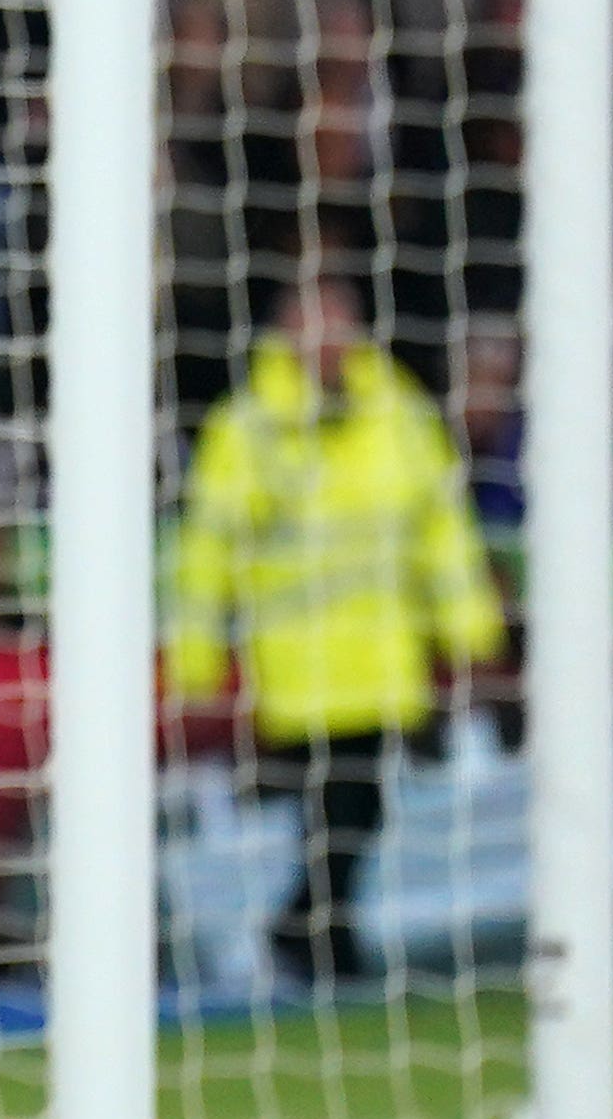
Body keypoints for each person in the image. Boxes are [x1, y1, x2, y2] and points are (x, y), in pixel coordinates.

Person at [167, 277, 504, 986]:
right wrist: (195, 659)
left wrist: (470, 624)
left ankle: (316, 931)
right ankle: (316, 933)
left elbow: (442, 527)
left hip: (383, 655)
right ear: (288, 331)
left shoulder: (397, 412)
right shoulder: (249, 426)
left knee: (359, 806)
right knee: (337, 805)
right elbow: (208, 547)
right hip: (297, 662)